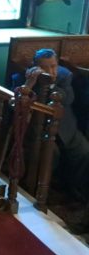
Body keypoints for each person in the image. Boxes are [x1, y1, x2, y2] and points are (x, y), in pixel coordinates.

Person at [13, 49, 89, 205]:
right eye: (45, 67)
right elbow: (19, 105)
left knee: (84, 151)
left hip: (65, 128)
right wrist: (32, 83)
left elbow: (67, 99)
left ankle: (74, 187)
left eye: (53, 66)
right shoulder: (23, 77)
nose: (51, 71)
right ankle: (41, 189)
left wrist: (52, 84)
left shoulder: (65, 76)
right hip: (39, 129)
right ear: (36, 67)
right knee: (51, 153)